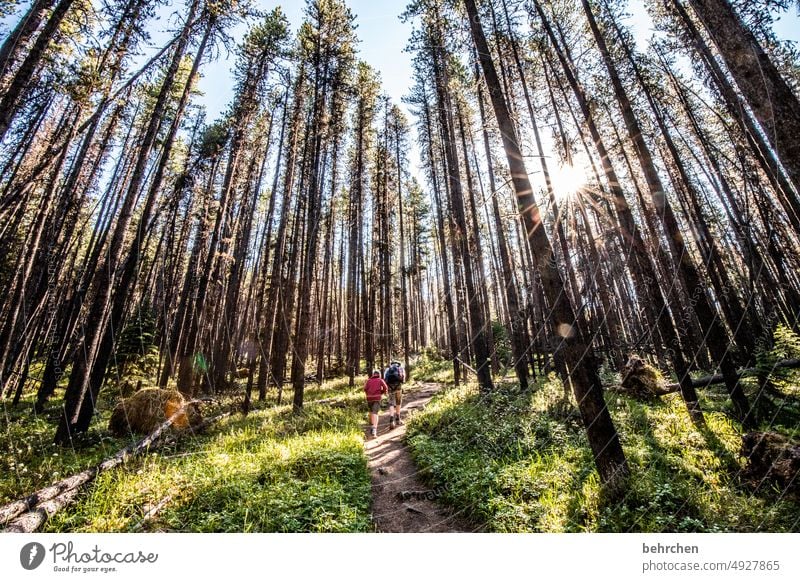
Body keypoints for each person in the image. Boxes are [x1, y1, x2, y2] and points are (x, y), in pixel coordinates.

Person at [364, 369, 388, 439]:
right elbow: (385, 387)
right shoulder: (380, 380)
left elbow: (365, 389)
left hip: (369, 398)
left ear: (373, 374)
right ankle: (374, 430)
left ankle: (372, 426)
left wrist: (368, 394)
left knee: (371, 412)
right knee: (375, 413)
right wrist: (381, 392)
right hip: (377, 398)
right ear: (379, 374)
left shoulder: (368, 380)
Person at [383, 360, 406, 429]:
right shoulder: (401, 368)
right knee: (398, 402)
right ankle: (398, 419)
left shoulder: (387, 369)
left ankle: (391, 420)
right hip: (398, 386)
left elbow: (385, 379)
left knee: (391, 403)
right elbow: (403, 379)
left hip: (390, 387)